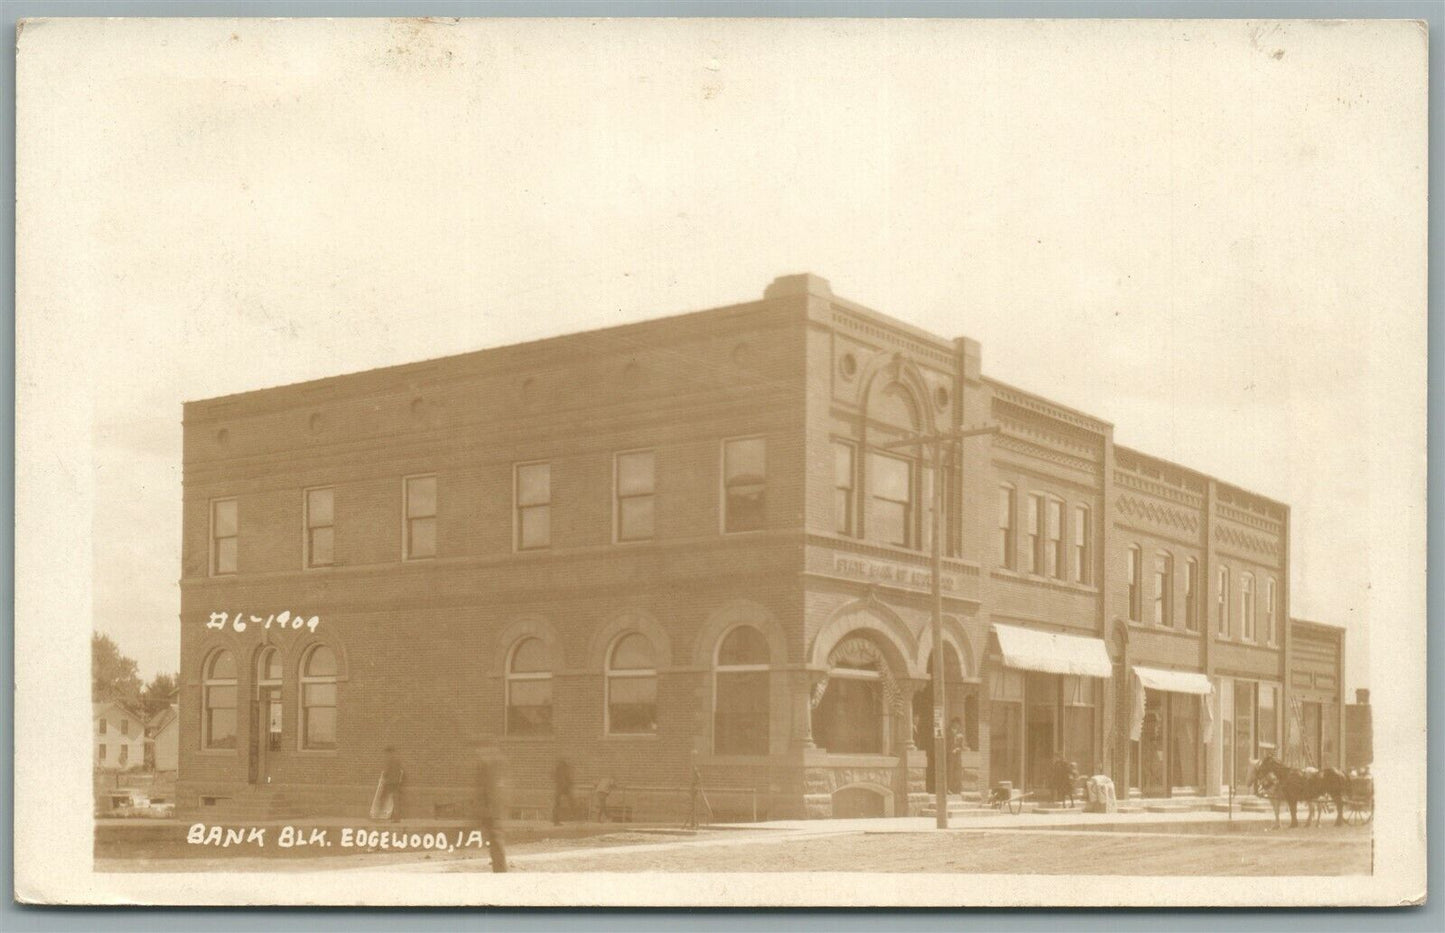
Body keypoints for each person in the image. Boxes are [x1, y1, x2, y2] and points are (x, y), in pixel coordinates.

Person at [470, 739, 508, 872]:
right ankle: (499, 869)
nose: (478, 752)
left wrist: (490, 810)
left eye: (481, 749)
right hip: (490, 811)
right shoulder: (486, 765)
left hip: (493, 811)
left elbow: (495, 790)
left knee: (496, 841)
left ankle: (500, 871)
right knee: (494, 843)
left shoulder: (494, 766)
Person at [378, 747, 404, 822]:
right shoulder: (397, 761)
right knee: (396, 800)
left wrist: (384, 778)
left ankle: (379, 816)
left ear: (389, 753)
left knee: (382, 798)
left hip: (389, 783)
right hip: (395, 783)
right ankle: (397, 818)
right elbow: (400, 772)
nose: (386, 754)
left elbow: (386, 772)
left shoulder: (389, 761)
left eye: (387, 753)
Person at [552, 757, 574, 826]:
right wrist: (567, 786)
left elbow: (557, 778)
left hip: (559, 788)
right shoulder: (562, 770)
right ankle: (556, 821)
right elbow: (564, 779)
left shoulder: (558, 769)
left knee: (557, 804)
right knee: (558, 804)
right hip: (562, 789)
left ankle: (555, 820)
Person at [947, 718, 965, 794]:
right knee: (949, 772)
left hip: (957, 757)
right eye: (955, 723)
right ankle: (948, 788)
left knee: (957, 773)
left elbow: (962, 746)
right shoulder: (948, 733)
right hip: (949, 756)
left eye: (958, 724)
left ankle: (956, 789)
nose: (956, 725)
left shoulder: (960, 735)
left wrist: (957, 749)